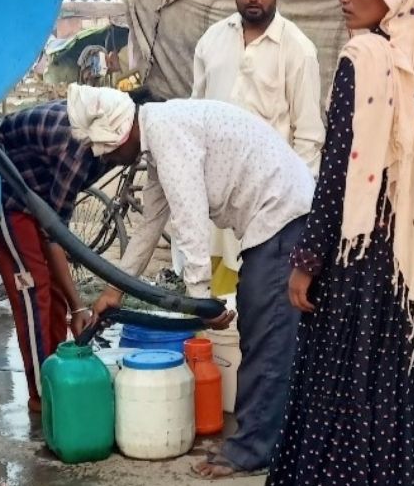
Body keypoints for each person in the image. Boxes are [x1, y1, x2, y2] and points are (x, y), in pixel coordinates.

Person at [267, 0, 414, 485]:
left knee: (351, 393)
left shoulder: (363, 60)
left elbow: (339, 173)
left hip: (362, 266)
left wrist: (308, 258)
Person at [71, 84, 314, 479]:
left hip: (281, 214)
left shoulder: (166, 133)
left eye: (112, 152)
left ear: (123, 133)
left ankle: (253, 449)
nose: (112, 159)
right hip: (277, 216)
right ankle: (277, 437)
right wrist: (115, 290)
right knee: (267, 332)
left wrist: (202, 302)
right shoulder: (159, 134)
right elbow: (150, 224)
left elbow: (189, 221)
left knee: (267, 338)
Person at [190, 0, 324, 292]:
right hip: (217, 197)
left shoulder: (297, 49)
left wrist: (298, 211)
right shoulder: (212, 41)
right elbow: (194, 114)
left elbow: (308, 135)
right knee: (217, 300)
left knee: (263, 299)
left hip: (270, 202)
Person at [0, 96, 106, 414]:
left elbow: (56, 229)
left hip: (34, 191)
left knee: (54, 289)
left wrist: (74, 304)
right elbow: (56, 238)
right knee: (33, 290)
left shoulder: (104, 140)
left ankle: (58, 368)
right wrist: (80, 306)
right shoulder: (79, 149)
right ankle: (44, 394)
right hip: (5, 193)